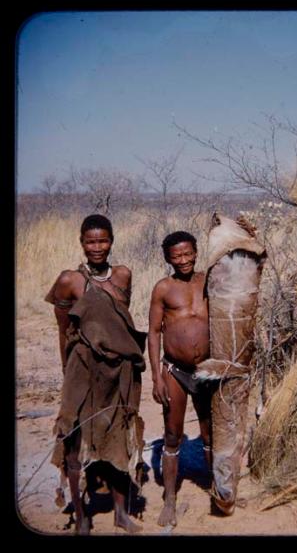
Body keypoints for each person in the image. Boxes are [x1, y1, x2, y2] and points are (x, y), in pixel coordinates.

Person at [45, 214, 146, 535]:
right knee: (74, 434)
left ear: (112, 241)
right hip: (83, 369)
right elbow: (64, 331)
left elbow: (120, 325)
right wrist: (67, 374)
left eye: (103, 241)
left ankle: (119, 512)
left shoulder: (123, 275)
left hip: (119, 370)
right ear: (81, 243)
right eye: (91, 241)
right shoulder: (68, 281)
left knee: (118, 433)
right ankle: (82, 515)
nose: (97, 247)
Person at [148, 231, 214, 528]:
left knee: (210, 432)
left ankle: (215, 488)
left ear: (196, 252)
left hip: (207, 369)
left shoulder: (209, 281)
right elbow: (153, 333)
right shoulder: (163, 288)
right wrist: (155, 377)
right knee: (172, 434)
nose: (183, 260)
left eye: (188, 254)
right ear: (167, 259)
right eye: (176, 256)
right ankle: (170, 499)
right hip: (175, 370)